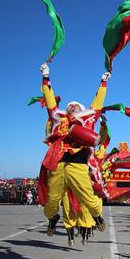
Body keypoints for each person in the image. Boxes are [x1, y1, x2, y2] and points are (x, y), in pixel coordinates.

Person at [37, 63, 107, 237]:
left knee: (88, 199)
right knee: (52, 202)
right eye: (70, 106)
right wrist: (46, 77)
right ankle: (52, 218)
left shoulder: (88, 119)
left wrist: (103, 82)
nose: (72, 107)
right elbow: (50, 101)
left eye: (76, 106)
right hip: (58, 164)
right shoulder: (58, 118)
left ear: (82, 110)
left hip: (78, 164)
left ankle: (97, 216)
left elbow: (97, 103)